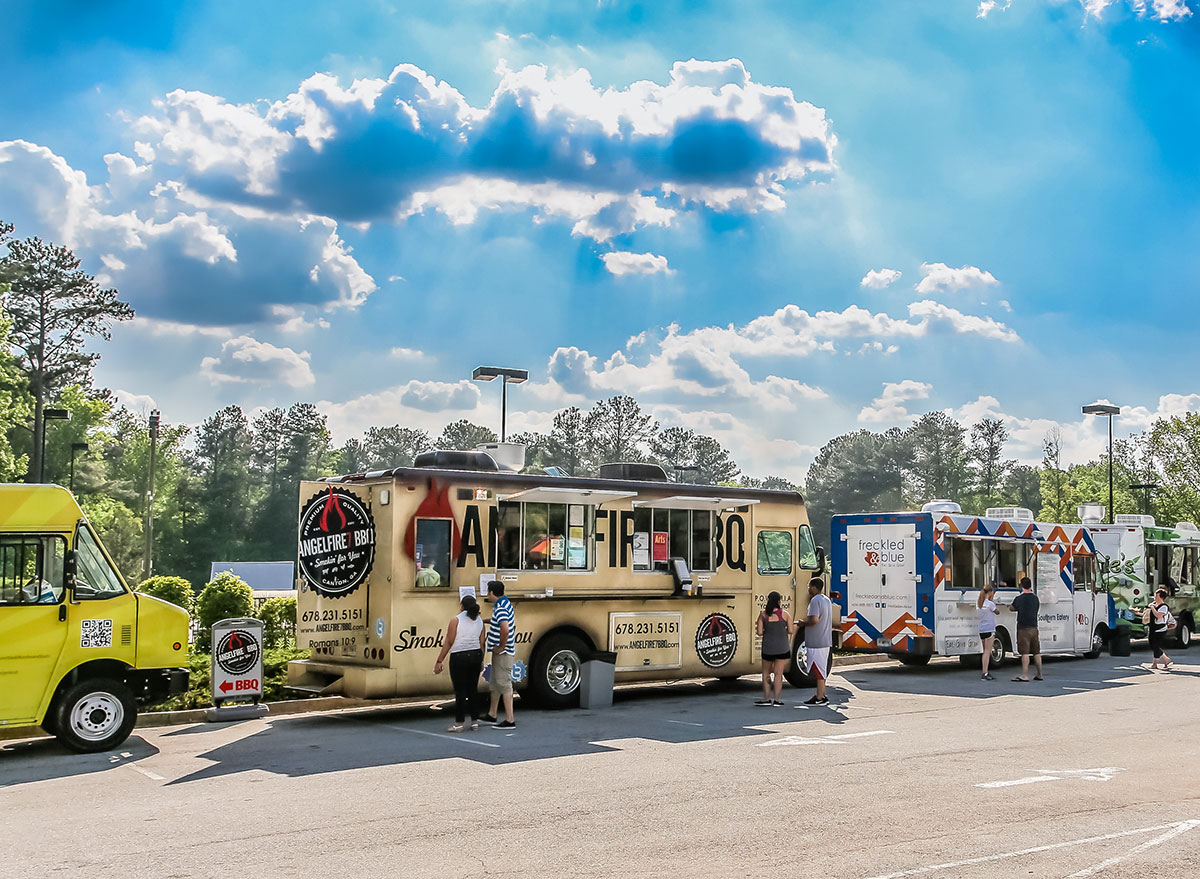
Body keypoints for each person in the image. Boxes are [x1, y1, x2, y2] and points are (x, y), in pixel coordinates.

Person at [433, 594, 486, 732]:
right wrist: (482, 660)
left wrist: (440, 660)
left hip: (459, 656)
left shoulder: (455, 620)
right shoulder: (479, 620)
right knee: (473, 689)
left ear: (461, 605)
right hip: (476, 655)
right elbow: (482, 642)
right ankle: (474, 722)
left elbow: (449, 641)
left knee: (460, 691)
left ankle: (459, 723)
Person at [481, 580, 517, 729]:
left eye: (488, 592)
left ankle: (510, 720)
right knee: (495, 683)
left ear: (491, 593)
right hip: (501, 651)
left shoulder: (501, 607)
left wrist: (501, 646)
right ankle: (492, 714)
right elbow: (499, 622)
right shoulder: (504, 604)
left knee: (504, 684)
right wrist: (486, 620)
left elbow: (505, 628)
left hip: (503, 652)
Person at [756, 591, 796, 706]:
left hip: (768, 648)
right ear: (779, 601)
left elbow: (759, 632)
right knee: (778, 674)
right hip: (782, 647)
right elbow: (790, 630)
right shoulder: (785, 614)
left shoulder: (763, 615)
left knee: (766, 673)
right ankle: (777, 700)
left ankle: (766, 699)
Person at [802, 578, 833, 705]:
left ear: (815, 587)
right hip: (825, 640)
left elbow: (814, 620)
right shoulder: (826, 600)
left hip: (816, 641)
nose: (808, 589)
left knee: (818, 670)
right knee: (821, 669)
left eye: (809, 586)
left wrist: (802, 623)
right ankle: (822, 694)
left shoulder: (815, 601)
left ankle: (820, 697)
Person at [1010, 577, 1042, 682]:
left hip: (1023, 628)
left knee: (1025, 653)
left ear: (1022, 586)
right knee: (1036, 652)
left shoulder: (1019, 599)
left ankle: (1025, 675)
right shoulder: (1035, 598)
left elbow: (1012, 608)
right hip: (1034, 627)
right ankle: (1039, 674)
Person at [1149, 588, 1174, 671]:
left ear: (1161, 597)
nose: (1155, 597)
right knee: (1152, 645)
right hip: (1153, 628)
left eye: (1156, 595)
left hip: (1161, 628)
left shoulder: (1164, 607)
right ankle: (1166, 659)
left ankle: (1155, 664)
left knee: (1156, 645)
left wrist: (1152, 607)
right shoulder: (1154, 605)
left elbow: (1159, 615)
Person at [978, 585, 999, 681]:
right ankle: (985, 672)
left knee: (984, 651)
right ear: (990, 592)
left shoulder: (979, 603)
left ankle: (985, 670)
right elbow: (997, 612)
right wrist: (992, 599)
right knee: (987, 652)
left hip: (981, 629)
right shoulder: (990, 604)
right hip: (989, 629)